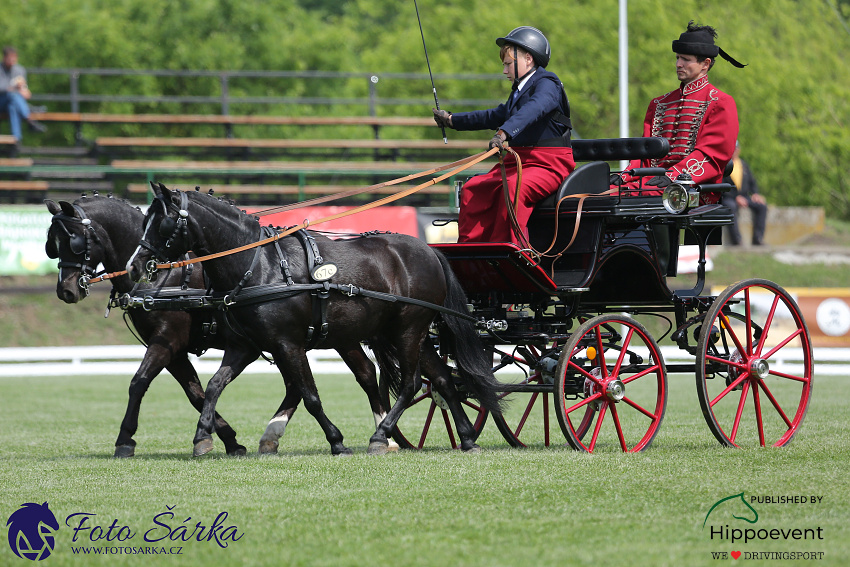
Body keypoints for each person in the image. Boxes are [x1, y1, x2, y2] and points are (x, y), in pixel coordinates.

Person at [432, 26, 574, 245]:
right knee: (473, 189)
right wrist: (452, 120)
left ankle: (509, 252)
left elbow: (535, 109)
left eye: (508, 64)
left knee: (516, 189)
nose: (505, 71)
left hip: (549, 164)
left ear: (528, 58)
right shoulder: (518, 92)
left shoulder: (548, 83)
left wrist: (504, 133)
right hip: (517, 163)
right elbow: (492, 115)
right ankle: (471, 253)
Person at [613, 21, 745, 204]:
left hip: (693, 188)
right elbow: (646, 152)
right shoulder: (659, 103)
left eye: (685, 59)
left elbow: (712, 154)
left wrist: (673, 176)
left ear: (705, 64)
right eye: (677, 58)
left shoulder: (720, 103)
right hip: (652, 183)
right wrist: (625, 176)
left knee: (626, 197)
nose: (678, 64)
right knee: (602, 195)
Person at [722, 141, 768, 245]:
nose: (735, 151)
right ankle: (737, 240)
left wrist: (755, 194)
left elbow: (752, 182)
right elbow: (722, 186)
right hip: (729, 197)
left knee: (762, 206)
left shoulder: (743, 164)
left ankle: (758, 238)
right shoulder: (724, 165)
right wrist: (735, 197)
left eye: (736, 148)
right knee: (731, 206)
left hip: (744, 196)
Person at [0, 46, 47, 142]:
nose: (12, 60)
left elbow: (24, 91)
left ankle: (16, 140)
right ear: (4, 58)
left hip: (13, 102)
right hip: (1, 101)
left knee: (12, 106)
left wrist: (24, 91)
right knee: (11, 95)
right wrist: (14, 87)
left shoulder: (20, 70)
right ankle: (29, 118)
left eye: (14, 57)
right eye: (10, 57)